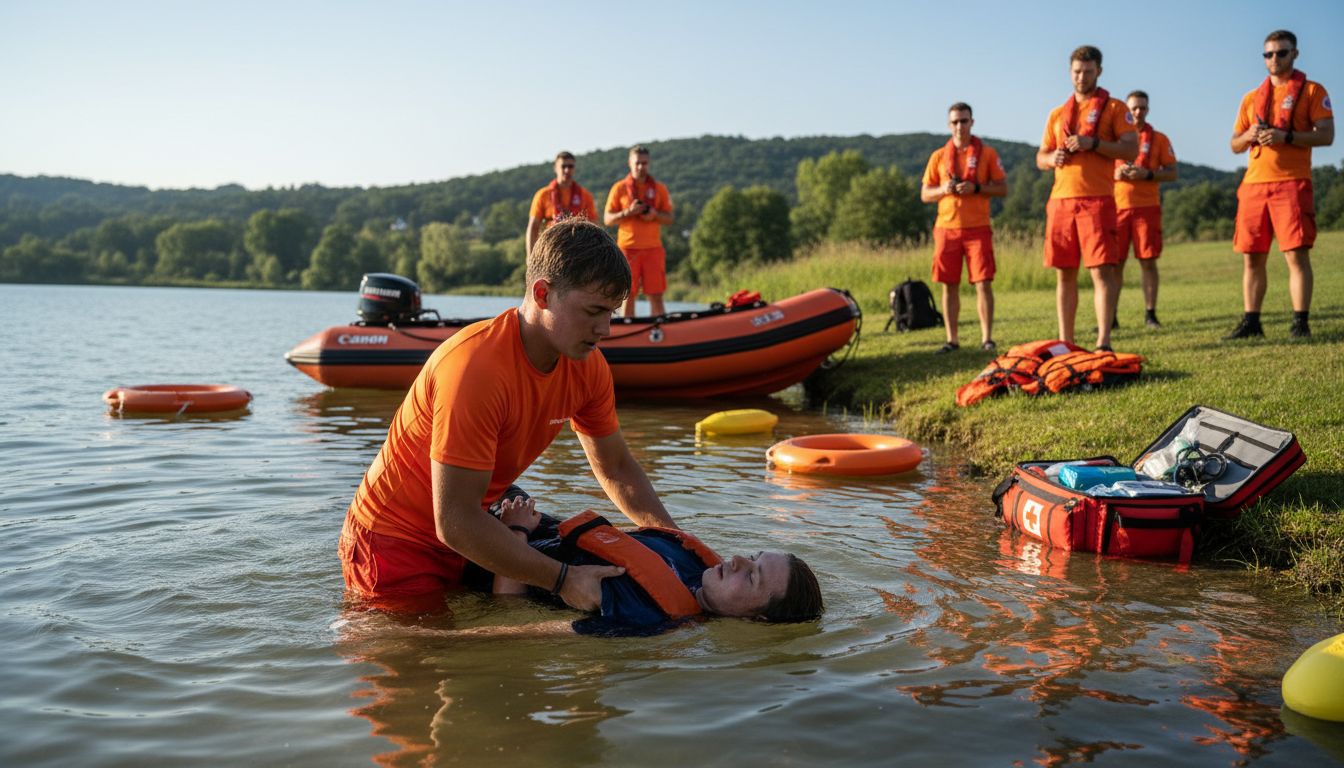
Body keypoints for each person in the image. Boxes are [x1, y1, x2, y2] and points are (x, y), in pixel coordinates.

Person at [338, 219, 677, 614]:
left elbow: (616, 467)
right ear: (543, 293)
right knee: (443, 651)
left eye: (612, 313)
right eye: (594, 311)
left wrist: (678, 542)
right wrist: (564, 579)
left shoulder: (589, 366)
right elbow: (454, 520)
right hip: (394, 542)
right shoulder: (476, 368)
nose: (605, 329)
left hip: (472, 527)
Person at [482, 496, 824, 637]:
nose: (737, 561)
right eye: (753, 556)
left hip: (487, 549)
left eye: (751, 577)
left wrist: (515, 530)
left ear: (755, 619)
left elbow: (509, 612)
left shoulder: (644, 618)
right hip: (521, 512)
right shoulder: (696, 565)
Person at [1226, 29, 1334, 340]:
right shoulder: (1250, 98)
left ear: (1294, 54)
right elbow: (1234, 144)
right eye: (1269, 54)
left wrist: (1285, 136)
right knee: (1251, 256)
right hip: (1254, 185)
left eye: (1281, 53)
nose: (1274, 58)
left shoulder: (1312, 91)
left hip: (1292, 182)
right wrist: (1249, 136)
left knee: (1296, 255)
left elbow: (1327, 135)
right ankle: (1252, 322)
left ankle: (1300, 323)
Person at [1035, 45, 1137, 352]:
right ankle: (1065, 342)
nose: (1081, 77)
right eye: (1077, 72)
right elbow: (1040, 157)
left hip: (1097, 199)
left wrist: (1093, 143)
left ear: (1099, 72)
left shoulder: (1115, 108)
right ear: (1070, 72)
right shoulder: (1057, 114)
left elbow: (1131, 149)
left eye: (1088, 72)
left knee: (1101, 272)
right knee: (1064, 274)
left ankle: (1103, 341)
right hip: (1061, 201)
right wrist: (1052, 158)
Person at [920, 102, 1009, 353]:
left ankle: (987, 338)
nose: (960, 126)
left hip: (978, 227)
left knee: (983, 282)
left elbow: (1003, 188)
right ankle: (952, 340)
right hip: (946, 228)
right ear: (949, 125)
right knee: (948, 284)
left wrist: (976, 188)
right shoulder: (938, 156)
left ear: (972, 122)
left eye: (964, 121)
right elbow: (925, 194)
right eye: (955, 122)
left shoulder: (987, 154)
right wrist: (944, 189)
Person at [1113, 90, 1178, 329]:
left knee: (1148, 262)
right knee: (1114, 264)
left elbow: (1172, 173)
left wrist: (1147, 174)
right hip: (1117, 208)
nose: (1138, 112)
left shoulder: (1159, 139)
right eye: (1134, 108)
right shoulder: (1114, 138)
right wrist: (1115, 173)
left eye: (1142, 108)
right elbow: (1097, 169)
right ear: (1127, 111)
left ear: (1148, 110)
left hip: (1147, 208)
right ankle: (1110, 316)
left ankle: (1150, 314)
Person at [604, 145, 674, 318]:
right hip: (627, 249)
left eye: (645, 163)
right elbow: (607, 219)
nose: (641, 167)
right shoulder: (619, 188)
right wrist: (628, 212)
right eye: (637, 163)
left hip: (653, 248)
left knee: (656, 295)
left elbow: (670, 218)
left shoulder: (659, 188)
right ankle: (629, 329)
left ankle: (659, 329)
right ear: (630, 163)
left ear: (649, 163)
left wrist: (654, 214)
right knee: (628, 295)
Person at [525, 151, 597, 257]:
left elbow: (594, 227)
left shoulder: (585, 195)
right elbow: (533, 227)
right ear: (555, 168)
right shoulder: (543, 195)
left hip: (578, 251)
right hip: (550, 249)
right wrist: (530, 257)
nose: (567, 170)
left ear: (574, 169)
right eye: (563, 166)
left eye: (570, 166)